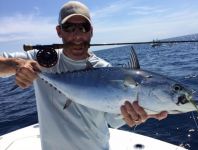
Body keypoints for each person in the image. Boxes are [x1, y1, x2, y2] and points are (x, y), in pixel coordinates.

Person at [0, 1, 167, 150]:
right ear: (59, 31)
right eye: (69, 28)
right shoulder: (42, 59)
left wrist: (140, 114)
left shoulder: (106, 70)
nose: (77, 36)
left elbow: (114, 118)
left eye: (83, 28)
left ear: (91, 31)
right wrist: (16, 65)